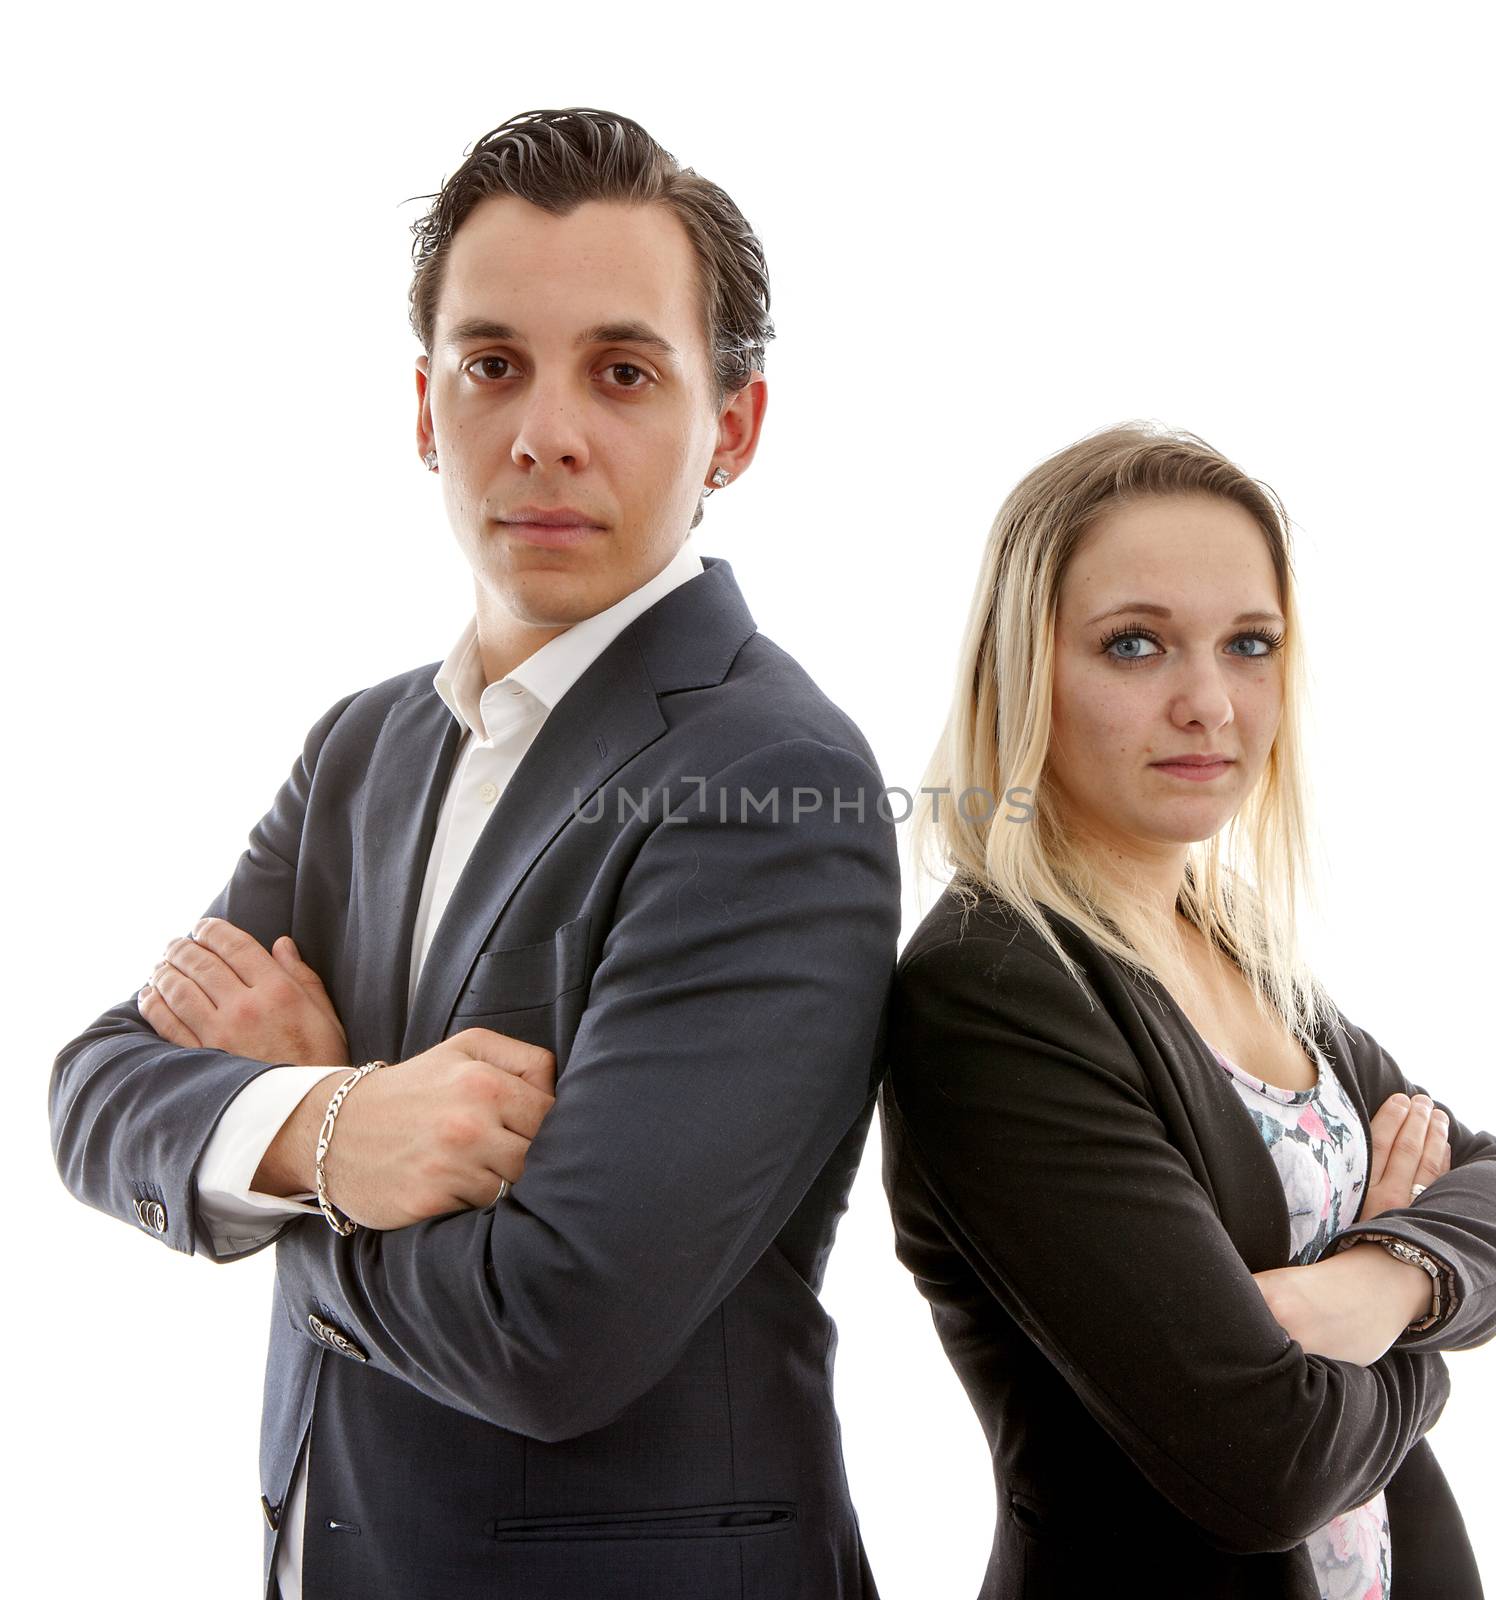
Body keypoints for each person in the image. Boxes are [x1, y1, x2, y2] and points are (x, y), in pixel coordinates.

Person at [50, 107, 899, 1600]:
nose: (544, 431)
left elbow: (555, 1327)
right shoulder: (360, 750)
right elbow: (98, 1091)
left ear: (737, 428)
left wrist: (290, 1149)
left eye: (623, 373)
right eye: (493, 364)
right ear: (427, 409)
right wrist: (339, 1128)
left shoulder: (776, 779)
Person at [880, 423, 1496, 1598]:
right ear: (1022, 669)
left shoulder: (1229, 935)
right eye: (1134, 645)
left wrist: (1376, 1282)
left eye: (1249, 644)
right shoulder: (990, 986)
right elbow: (1264, 1465)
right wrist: (1431, 1332)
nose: (1208, 703)